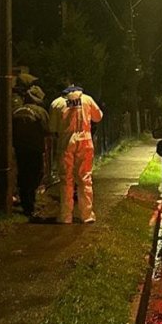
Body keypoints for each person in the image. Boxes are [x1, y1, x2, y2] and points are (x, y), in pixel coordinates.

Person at [49, 85, 103, 224]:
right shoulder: (87, 99)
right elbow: (98, 117)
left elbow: (52, 127)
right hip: (85, 141)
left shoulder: (57, 103)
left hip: (66, 143)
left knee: (66, 179)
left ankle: (65, 216)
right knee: (85, 178)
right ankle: (87, 215)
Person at [12, 83, 50, 219]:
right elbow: (47, 130)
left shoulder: (16, 110)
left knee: (23, 174)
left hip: (19, 148)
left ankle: (26, 204)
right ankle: (30, 202)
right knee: (36, 174)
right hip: (35, 149)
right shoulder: (41, 112)